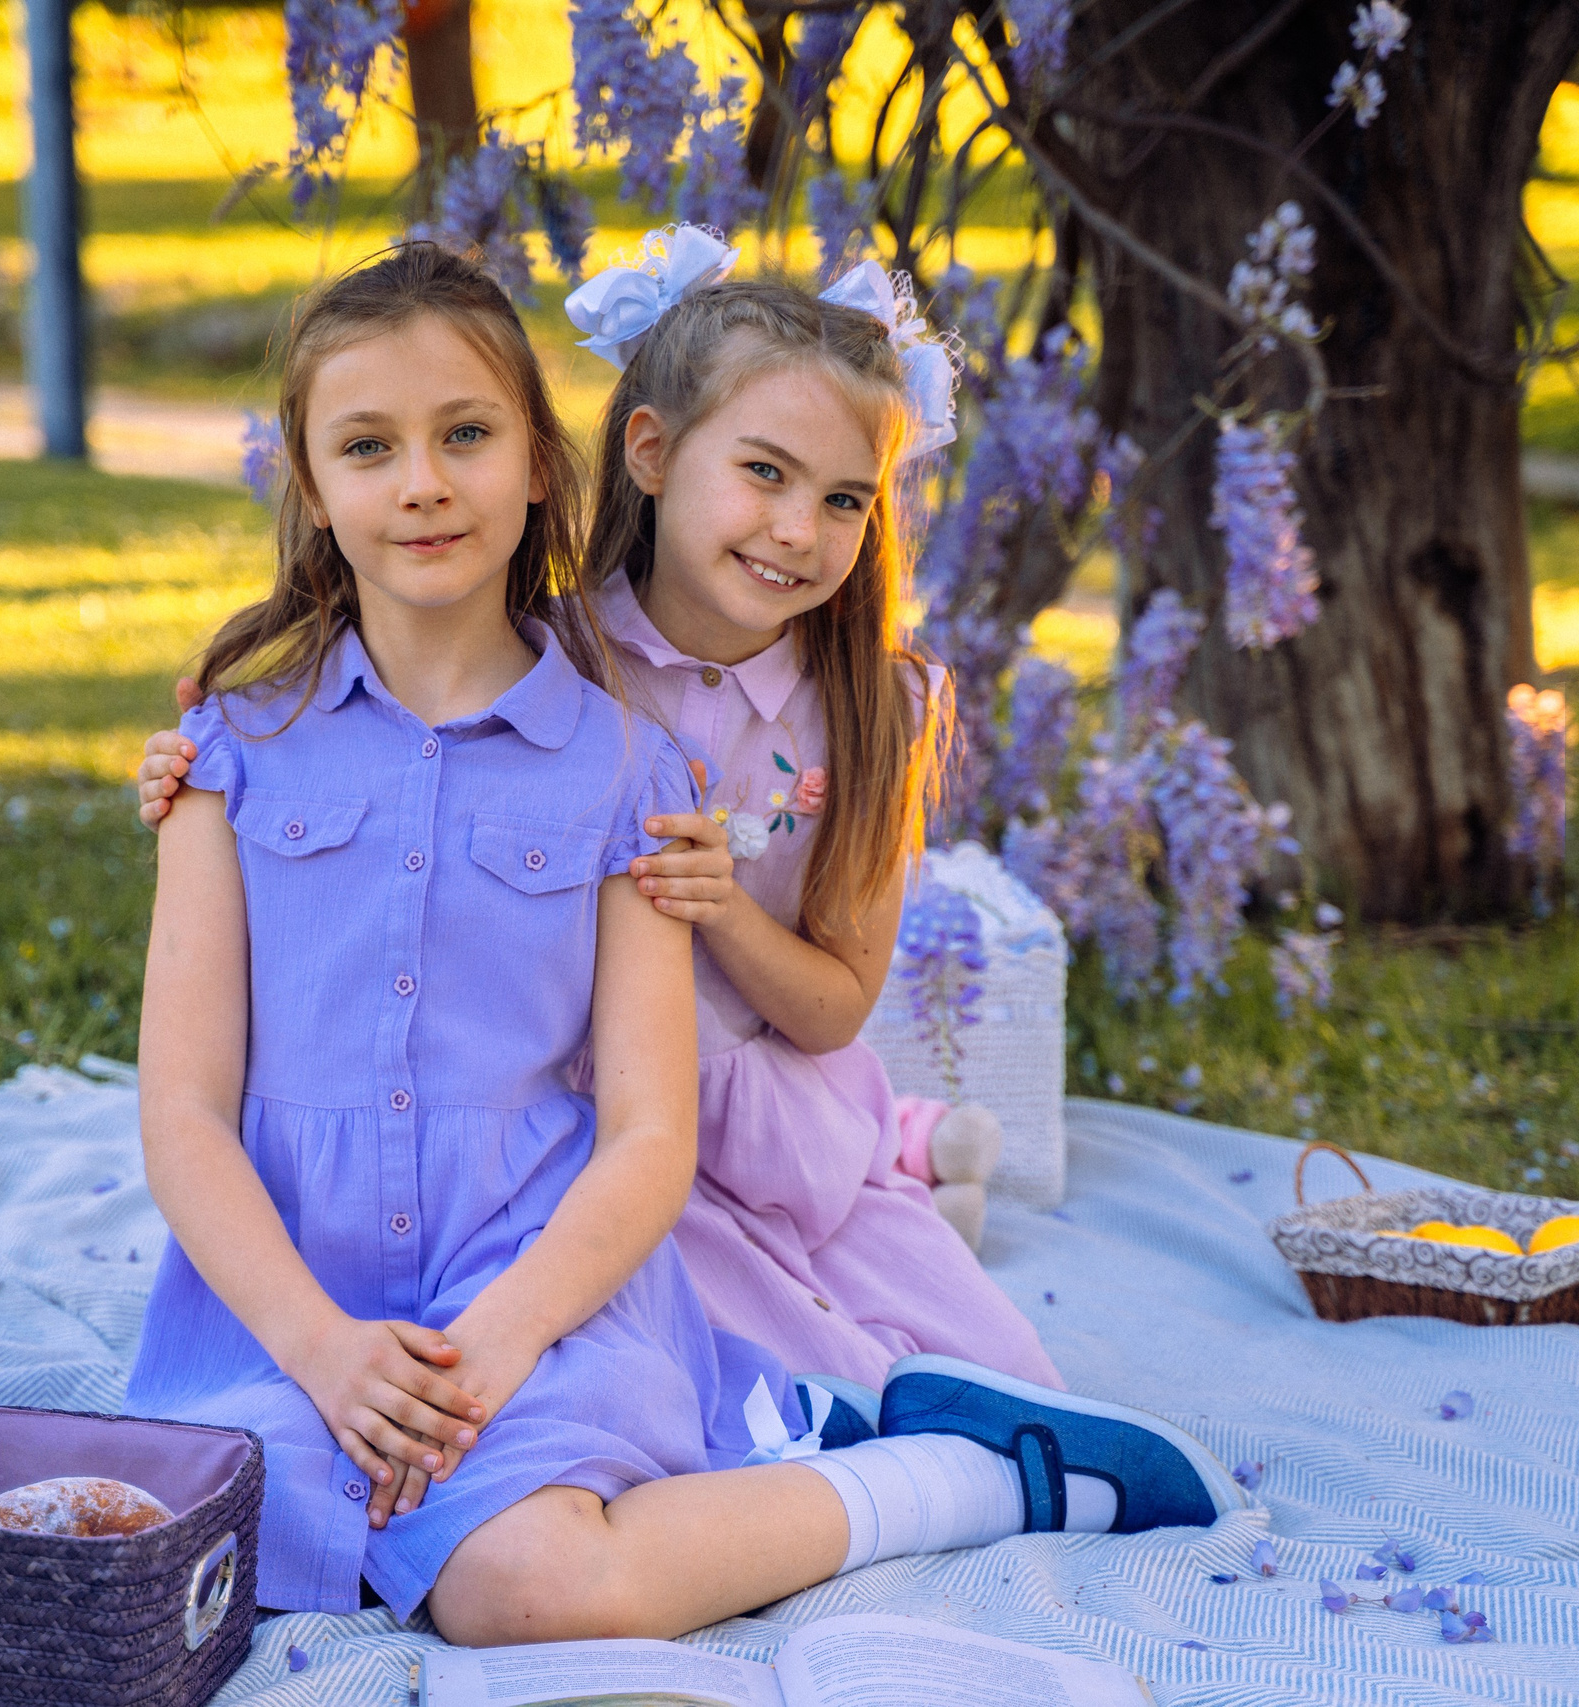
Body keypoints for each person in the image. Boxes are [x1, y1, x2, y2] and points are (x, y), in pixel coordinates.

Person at [124, 240, 1241, 1646]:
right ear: (312, 481)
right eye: (369, 445)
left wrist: (503, 1339)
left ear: (540, 461)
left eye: (466, 434)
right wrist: (320, 1346)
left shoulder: (630, 763)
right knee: (175, 1562)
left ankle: (957, 1475)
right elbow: (182, 1110)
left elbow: (658, 1123)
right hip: (287, 1314)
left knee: (518, 1585)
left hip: (532, 1268)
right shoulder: (232, 758)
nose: (421, 481)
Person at [139, 229, 1060, 1405]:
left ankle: (899, 1161)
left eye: (843, 499)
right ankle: (922, 1158)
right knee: (742, 1378)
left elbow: (835, 1009)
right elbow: (379, 719)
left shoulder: (876, 706)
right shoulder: (549, 660)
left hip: (742, 1116)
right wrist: (204, 767)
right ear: (652, 452)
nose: (797, 530)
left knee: (958, 1377)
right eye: (765, 474)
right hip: (562, 1128)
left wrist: (720, 907)